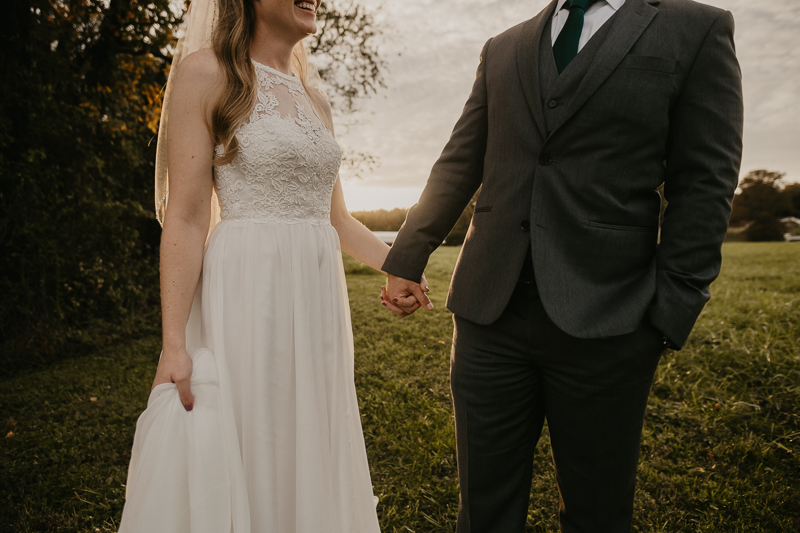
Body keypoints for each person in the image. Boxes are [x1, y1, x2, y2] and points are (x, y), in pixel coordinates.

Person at [380, 0, 743, 531]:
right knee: (483, 513)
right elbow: (460, 160)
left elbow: (707, 179)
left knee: (597, 514)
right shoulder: (503, 48)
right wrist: (407, 256)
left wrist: (671, 308)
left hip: (611, 319)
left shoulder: (698, 28)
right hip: (488, 316)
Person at [118, 0, 401, 531]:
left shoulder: (316, 100)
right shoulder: (207, 73)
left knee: (310, 436)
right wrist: (173, 344)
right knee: (254, 432)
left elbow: (336, 219)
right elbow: (185, 217)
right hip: (246, 293)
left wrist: (397, 264)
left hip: (316, 302)